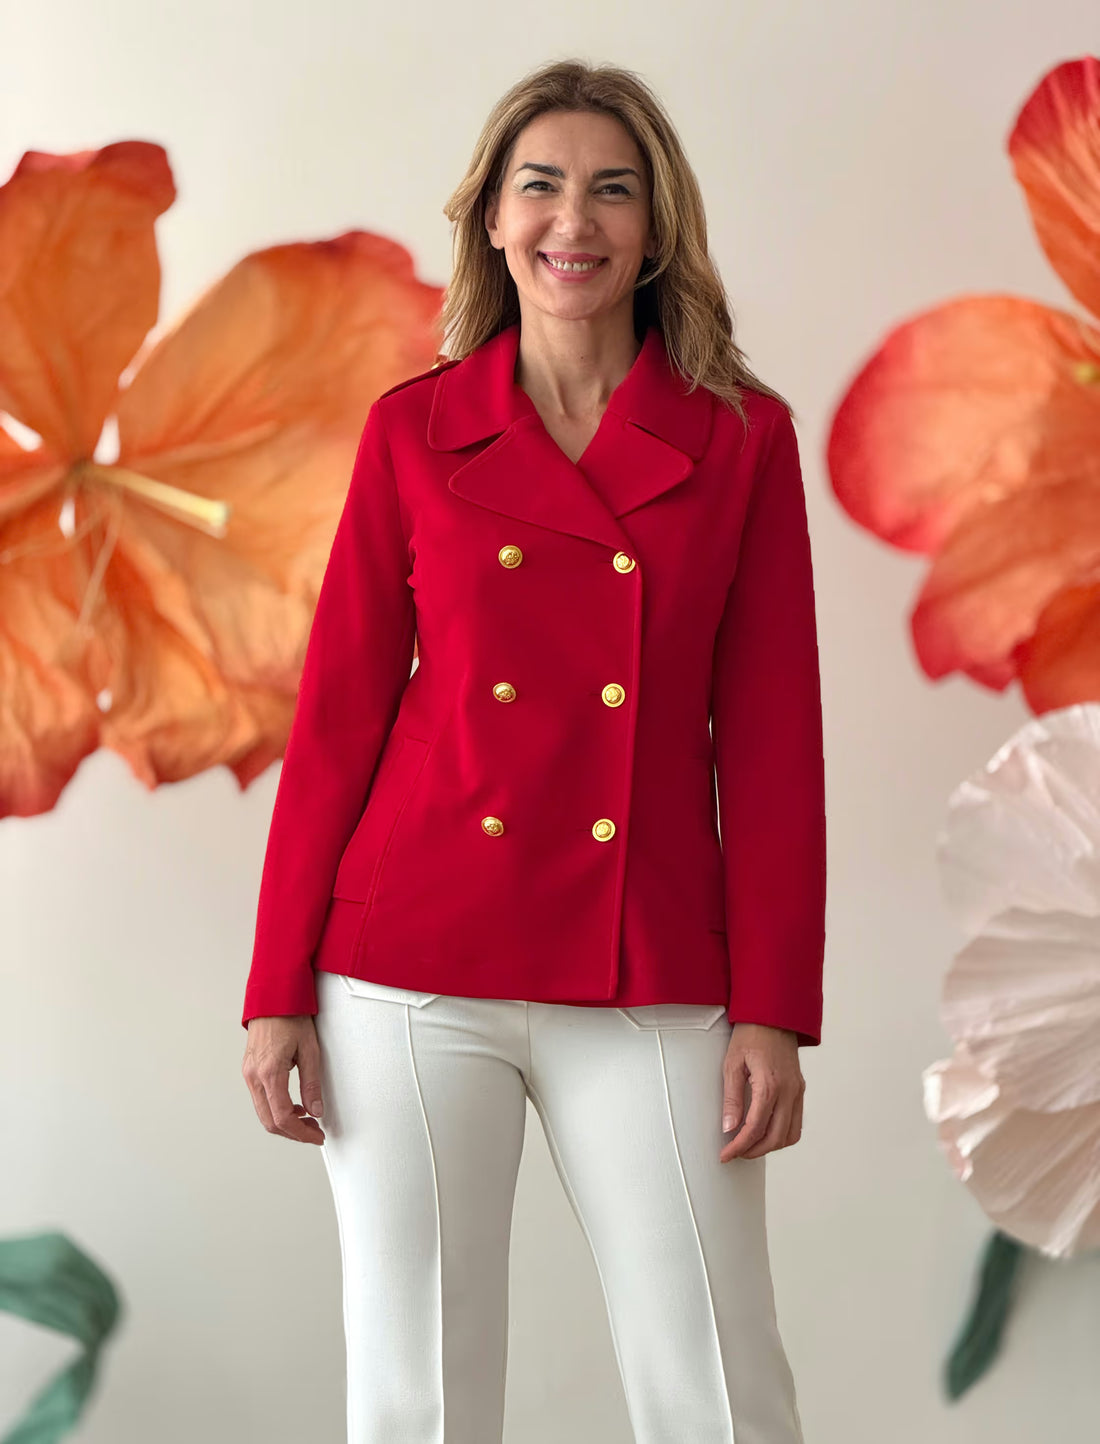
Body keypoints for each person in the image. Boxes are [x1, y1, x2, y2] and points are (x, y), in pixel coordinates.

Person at [241, 57, 825, 1444]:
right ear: (493, 220)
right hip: (407, 964)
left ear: (657, 224)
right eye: (542, 186)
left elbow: (773, 741)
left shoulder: (741, 438)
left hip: (650, 960)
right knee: (419, 1396)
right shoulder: (415, 431)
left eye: (613, 190)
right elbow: (337, 721)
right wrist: (276, 989)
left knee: (719, 1384)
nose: (576, 220)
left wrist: (774, 1008)